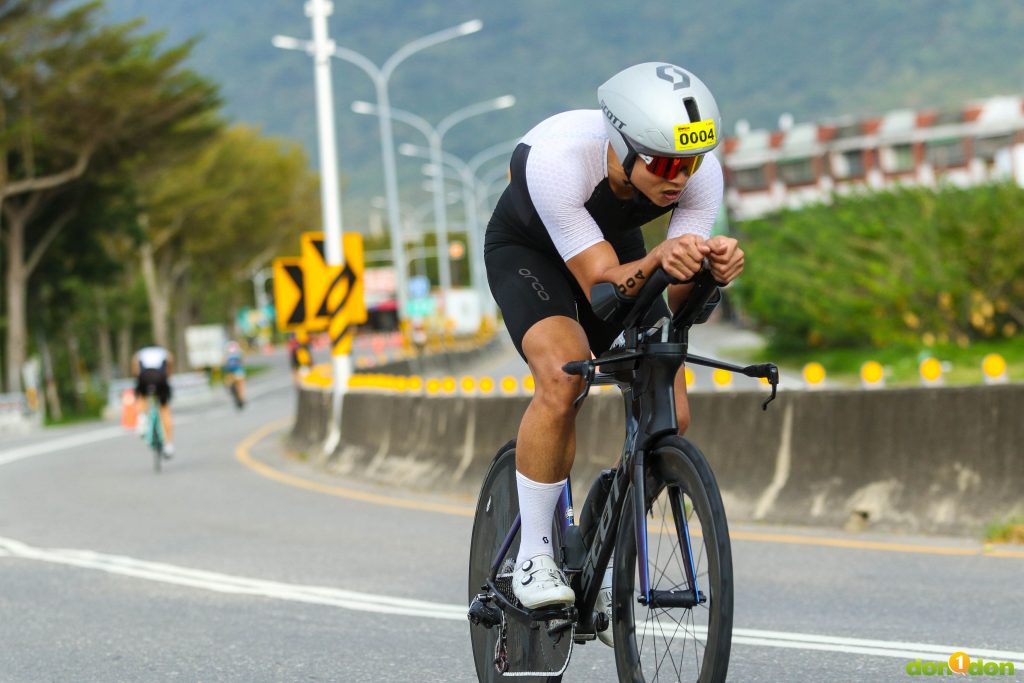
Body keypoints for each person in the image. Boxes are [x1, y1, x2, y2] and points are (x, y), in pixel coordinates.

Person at [483, 62, 745, 644]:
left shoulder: (700, 175)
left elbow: (675, 305)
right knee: (563, 376)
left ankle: (603, 523)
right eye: (667, 163)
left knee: (670, 413)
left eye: (692, 162)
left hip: (614, 251)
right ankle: (534, 557)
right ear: (623, 145)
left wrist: (707, 272)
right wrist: (659, 258)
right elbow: (602, 292)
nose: (681, 178)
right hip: (532, 253)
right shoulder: (558, 163)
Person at [132, 344, 175, 456]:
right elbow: (170, 362)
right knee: (164, 408)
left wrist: (138, 377)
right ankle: (168, 445)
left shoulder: (141, 352)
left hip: (145, 377)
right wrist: (168, 376)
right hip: (160, 378)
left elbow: (135, 365)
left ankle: (142, 419)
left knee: (142, 396)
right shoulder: (163, 352)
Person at [223, 340, 246, 408]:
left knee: (235, 384)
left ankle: (240, 397)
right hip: (235, 371)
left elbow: (224, 363)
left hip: (233, 372)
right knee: (239, 384)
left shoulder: (228, 354)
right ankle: (241, 397)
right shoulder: (238, 353)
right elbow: (242, 362)